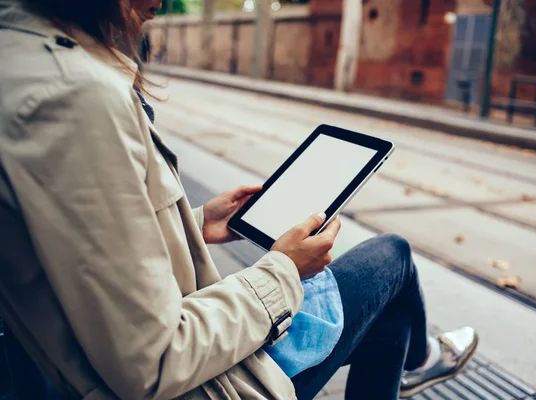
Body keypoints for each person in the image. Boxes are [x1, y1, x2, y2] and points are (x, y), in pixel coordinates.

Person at [0, 0, 478, 399]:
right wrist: (284, 271)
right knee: (392, 258)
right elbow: (154, 361)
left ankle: (418, 359)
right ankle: (423, 359)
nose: (163, 4)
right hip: (206, 384)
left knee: (387, 312)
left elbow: (80, 244)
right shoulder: (74, 97)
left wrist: (196, 223)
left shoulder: (21, 55)